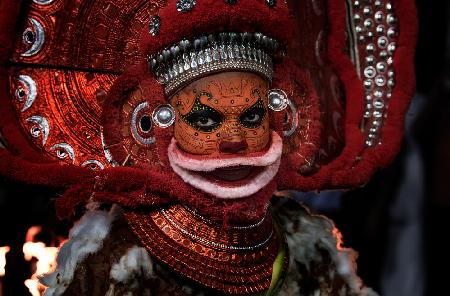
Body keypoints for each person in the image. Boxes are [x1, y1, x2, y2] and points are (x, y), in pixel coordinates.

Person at [0, 0, 417, 295]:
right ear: (154, 126)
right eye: (204, 120)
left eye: (252, 117)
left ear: (281, 116)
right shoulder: (118, 251)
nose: (233, 140)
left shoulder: (303, 240)